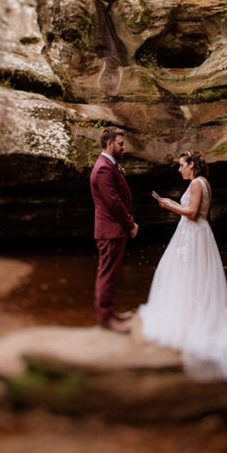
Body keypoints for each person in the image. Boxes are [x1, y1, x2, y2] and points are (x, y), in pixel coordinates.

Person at [139, 151, 227, 382]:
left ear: (192, 165)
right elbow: (195, 210)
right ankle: (194, 311)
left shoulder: (196, 183)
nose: (179, 169)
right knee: (194, 275)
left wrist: (169, 207)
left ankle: (190, 319)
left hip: (193, 234)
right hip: (200, 233)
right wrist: (174, 203)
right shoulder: (204, 182)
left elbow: (193, 214)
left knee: (188, 274)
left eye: (181, 165)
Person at [89, 127, 138, 333]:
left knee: (111, 273)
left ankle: (109, 311)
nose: (123, 147)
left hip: (113, 230)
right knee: (107, 274)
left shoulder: (110, 165)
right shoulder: (103, 168)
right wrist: (130, 224)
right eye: (120, 144)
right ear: (109, 144)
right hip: (110, 230)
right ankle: (106, 318)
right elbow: (113, 203)